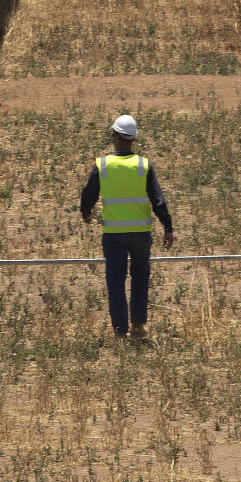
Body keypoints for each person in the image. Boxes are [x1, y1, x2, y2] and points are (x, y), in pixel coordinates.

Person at [80, 114, 174, 339]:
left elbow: (88, 194)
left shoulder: (103, 165)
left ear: (115, 136)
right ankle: (139, 327)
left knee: (115, 280)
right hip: (141, 235)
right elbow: (158, 199)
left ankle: (120, 331)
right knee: (140, 278)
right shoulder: (143, 165)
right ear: (132, 139)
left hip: (113, 235)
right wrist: (168, 227)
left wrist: (86, 213)